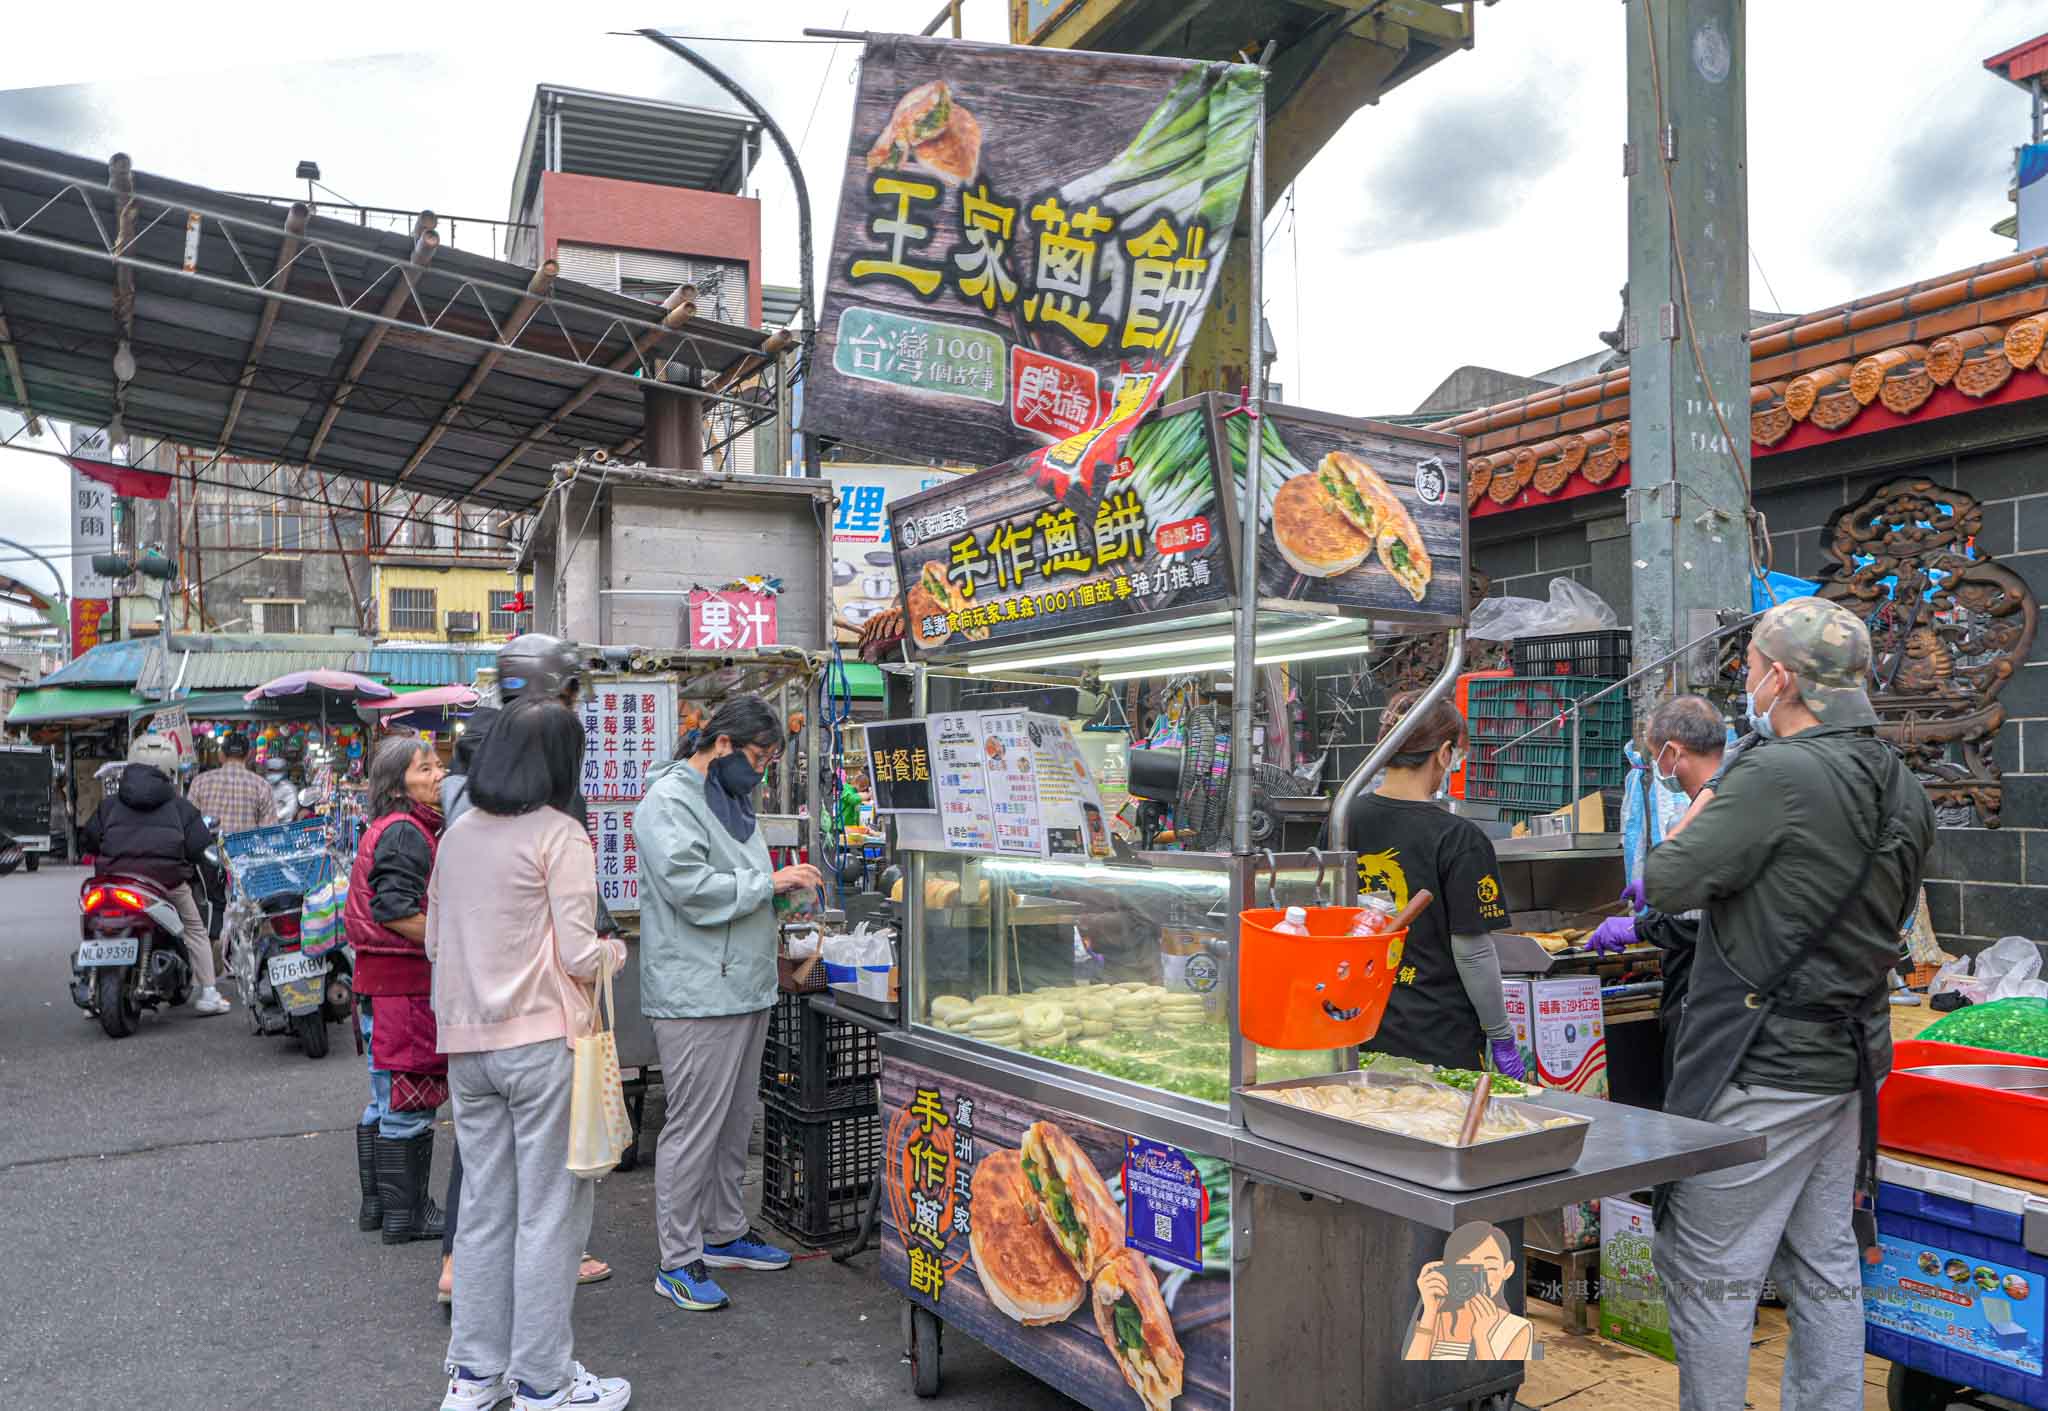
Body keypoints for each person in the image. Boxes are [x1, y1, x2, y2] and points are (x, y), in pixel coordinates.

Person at [1643, 597, 1934, 1411]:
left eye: (1750, 668)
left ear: (1781, 677)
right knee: (1826, 1261)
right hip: (1848, 1060)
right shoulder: (1903, 783)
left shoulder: (1773, 772)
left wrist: (1717, 788)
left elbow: (1667, 880)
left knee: (1708, 1271)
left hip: (1761, 1065)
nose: (1746, 682)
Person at [428, 698, 632, 1411]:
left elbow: (433, 942)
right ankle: (544, 1381)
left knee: (485, 1207)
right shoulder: (561, 835)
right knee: (550, 1213)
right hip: (543, 1042)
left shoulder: (456, 835)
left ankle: (474, 1376)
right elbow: (579, 951)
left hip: (467, 1043)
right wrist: (615, 950)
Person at [636, 695, 823, 1312]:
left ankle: (722, 1232)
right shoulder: (667, 802)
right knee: (693, 1128)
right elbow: (692, 889)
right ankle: (677, 1258)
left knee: (734, 1123)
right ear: (721, 745)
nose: (764, 770)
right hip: (696, 993)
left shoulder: (733, 800)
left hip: (744, 986)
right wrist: (772, 883)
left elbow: (741, 888)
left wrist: (782, 916)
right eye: (759, 756)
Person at [1334, 691, 1523, 1078]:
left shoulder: (1342, 818)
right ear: (1444, 753)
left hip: (1357, 1027)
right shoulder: (1458, 838)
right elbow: (1472, 952)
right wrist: (1501, 1036)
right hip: (1438, 1041)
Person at [1584, 695, 1727, 1084]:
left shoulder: (1714, 814)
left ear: (1674, 752)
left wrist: (1638, 929)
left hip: (1707, 987)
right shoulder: (1725, 797)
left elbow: (1699, 920)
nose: (1654, 767)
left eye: (1653, 755)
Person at [346, 735, 450, 1245]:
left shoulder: (397, 827)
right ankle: (407, 1214)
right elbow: (396, 909)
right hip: (402, 987)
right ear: (397, 784)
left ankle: (380, 1206)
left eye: (437, 765)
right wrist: (448, 938)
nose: (439, 775)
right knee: (407, 1096)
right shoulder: (407, 831)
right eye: (425, 769)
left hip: (383, 984)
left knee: (385, 1097)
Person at [81, 733, 231, 1016]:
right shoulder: (180, 807)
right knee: (195, 929)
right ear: (171, 769)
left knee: (94, 920)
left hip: (113, 880)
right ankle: (209, 993)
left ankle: (91, 986)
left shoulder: (109, 805)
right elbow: (200, 847)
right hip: (166, 882)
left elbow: (89, 839)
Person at [1403, 1221, 1534, 1361]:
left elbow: (1498, 1379)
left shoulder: (1517, 1328)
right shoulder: (1432, 1316)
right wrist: (1429, 1311)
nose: (1477, 1278)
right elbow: (1411, 1371)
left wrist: (1481, 1337)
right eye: (1466, 1268)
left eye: (1489, 1267)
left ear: (1507, 1271)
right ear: (1447, 1269)